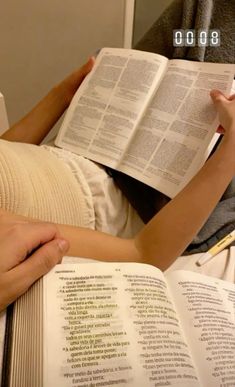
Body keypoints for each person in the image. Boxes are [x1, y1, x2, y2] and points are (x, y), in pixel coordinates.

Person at [0, 59, 234, 312]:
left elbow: (7, 156)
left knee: (190, 35)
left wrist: (65, 94)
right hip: (123, 193)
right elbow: (143, 254)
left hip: (80, 146)